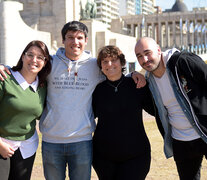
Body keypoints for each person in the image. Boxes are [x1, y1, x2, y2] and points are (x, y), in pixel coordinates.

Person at [0, 21, 146, 180]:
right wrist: (2, 67)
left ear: (86, 40)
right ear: (63, 40)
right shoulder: (50, 63)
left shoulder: (94, 65)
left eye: (79, 38)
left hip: (82, 141)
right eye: (70, 37)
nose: (75, 42)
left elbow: (113, 73)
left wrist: (133, 75)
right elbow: (27, 68)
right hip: (51, 141)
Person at [134, 37, 207, 180]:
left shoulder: (182, 61)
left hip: (204, 132)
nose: (145, 59)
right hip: (180, 141)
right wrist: (133, 75)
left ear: (159, 50)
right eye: (139, 56)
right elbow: (155, 110)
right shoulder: (149, 81)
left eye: (148, 53)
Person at [92, 45, 159, 180]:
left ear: (122, 62)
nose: (109, 64)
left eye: (114, 60)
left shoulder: (137, 84)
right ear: (101, 66)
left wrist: (140, 76)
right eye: (105, 61)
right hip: (103, 158)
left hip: (136, 156)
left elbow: (155, 110)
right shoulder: (97, 90)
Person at [0, 40, 51, 180]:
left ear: (45, 62)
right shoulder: (4, 78)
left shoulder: (42, 86)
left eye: (40, 57)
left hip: (26, 147)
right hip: (2, 144)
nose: (34, 60)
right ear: (23, 56)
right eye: (30, 55)